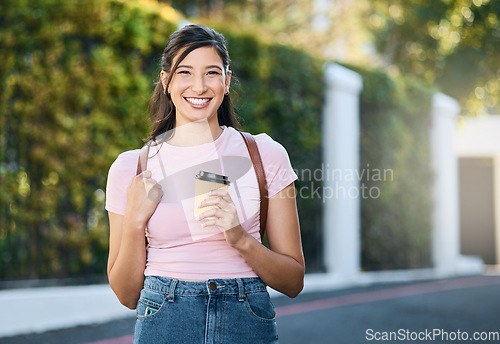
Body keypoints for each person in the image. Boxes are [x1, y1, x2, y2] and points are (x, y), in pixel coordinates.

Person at [105, 24, 304, 343]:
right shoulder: (131, 168)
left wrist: (240, 238)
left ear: (226, 81)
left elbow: (293, 281)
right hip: (164, 320)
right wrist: (133, 222)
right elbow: (127, 296)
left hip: (246, 319)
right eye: (185, 72)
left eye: (211, 73)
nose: (198, 86)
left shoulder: (266, 154)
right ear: (166, 80)